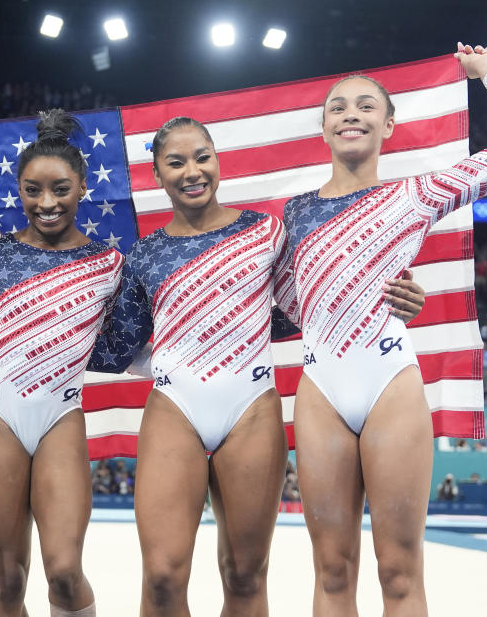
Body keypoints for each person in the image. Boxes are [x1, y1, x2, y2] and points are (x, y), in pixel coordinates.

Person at [89, 116, 426, 615]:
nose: (192, 171)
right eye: (175, 162)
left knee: (245, 576)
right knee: (161, 577)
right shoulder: (144, 255)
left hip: (250, 408)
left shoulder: (265, 232)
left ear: (218, 162)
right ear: (156, 174)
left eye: (202, 156)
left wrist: (396, 298)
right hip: (175, 406)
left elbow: (313, 301)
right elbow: (116, 349)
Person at [280, 43, 487, 615]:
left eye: (366, 106)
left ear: (390, 124)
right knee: (330, 573)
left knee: (399, 572)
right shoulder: (294, 213)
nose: (351, 113)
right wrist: (348, 301)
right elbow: (286, 306)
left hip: (388, 385)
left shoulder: (415, 195)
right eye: (338, 107)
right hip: (320, 387)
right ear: (322, 128)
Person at [0, 110, 120, 617]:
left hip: (60, 416)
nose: (47, 203)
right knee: (8, 583)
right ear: (18, 188)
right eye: (33, 190)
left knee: (63, 572)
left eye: (60, 188)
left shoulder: (110, 263)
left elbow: (139, 341)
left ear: (82, 187)